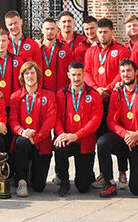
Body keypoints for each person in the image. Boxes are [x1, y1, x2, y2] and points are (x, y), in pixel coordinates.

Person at [97, 58, 138, 197]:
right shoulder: (117, 92)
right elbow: (111, 120)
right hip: (123, 138)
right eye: (122, 71)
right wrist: (125, 134)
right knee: (102, 143)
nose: (125, 74)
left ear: (136, 72)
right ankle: (110, 183)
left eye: (128, 71)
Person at [53, 61, 102, 196]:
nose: (76, 78)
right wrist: (61, 134)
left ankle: (87, 173)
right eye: (73, 75)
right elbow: (56, 118)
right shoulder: (61, 94)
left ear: (84, 75)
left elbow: (95, 121)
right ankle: (63, 181)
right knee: (58, 147)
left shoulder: (94, 95)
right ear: (68, 75)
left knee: (83, 187)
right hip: (66, 138)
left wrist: (76, 135)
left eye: (79, 75)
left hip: (84, 141)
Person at [8, 61, 56, 197]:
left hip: (41, 142)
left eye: (32, 73)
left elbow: (50, 120)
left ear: (38, 75)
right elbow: (12, 120)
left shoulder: (48, 95)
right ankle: (22, 180)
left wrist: (37, 138)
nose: (30, 76)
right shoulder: (15, 96)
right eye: (26, 73)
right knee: (21, 142)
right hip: (24, 140)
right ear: (22, 77)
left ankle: (31, 172)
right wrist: (22, 131)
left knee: (39, 186)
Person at [37, 17, 72, 94]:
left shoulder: (65, 50)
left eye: (52, 29)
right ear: (42, 31)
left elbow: (71, 73)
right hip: (40, 94)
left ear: (57, 30)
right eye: (47, 29)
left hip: (61, 94)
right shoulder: (36, 48)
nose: (50, 32)